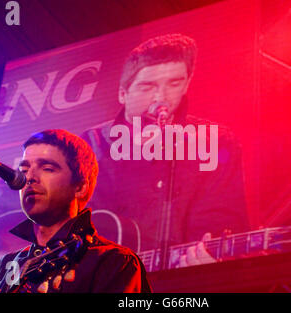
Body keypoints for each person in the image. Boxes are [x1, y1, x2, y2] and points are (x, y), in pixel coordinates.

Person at [81, 34, 249, 271]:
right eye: (147, 86)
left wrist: (212, 261)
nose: (161, 99)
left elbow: (222, 219)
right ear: (123, 93)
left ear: (187, 83)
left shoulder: (216, 141)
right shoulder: (88, 145)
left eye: (174, 84)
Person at [0, 129, 151, 293]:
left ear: (80, 187)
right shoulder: (1, 270)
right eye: (24, 170)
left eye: (48, 168)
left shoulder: (114, 263)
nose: (30, 178)